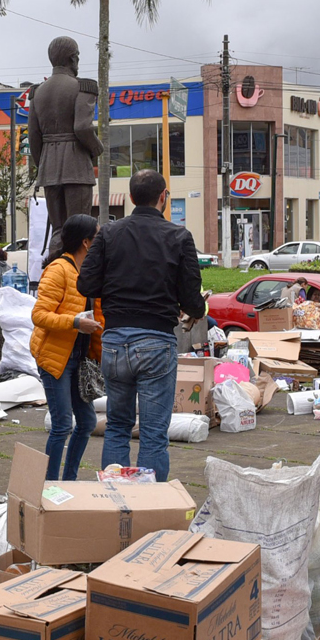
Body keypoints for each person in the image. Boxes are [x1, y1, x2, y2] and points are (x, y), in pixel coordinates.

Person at [76, 169, 204, 481]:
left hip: (116, 342)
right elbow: (192, 302)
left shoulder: (108, 233)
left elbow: (85, 284)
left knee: (117, 428)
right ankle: (149, 506)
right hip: (156, 343)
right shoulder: (179, 237)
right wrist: (193, 307)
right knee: (152, 433)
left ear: (131, 198)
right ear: (163, 198)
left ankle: (115, 497)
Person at [31, 215, 103, 480]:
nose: (101, 241)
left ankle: (69, 481)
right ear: (86, 242)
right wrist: (74, 322)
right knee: (62, 425)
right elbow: (39, 315)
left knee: (86, 423)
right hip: (55, 359)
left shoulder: (90, 271)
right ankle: (49, 486)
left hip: (80, 359)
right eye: (97, 236)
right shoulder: (59, 269)